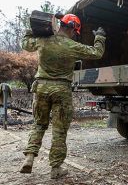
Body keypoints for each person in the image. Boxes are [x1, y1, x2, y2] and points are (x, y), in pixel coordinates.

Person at [19, 13, 106, 179]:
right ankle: (56, 168)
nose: (75, 34)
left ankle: (30, 157)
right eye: (75, 32)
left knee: (39, 124)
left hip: (42, 87)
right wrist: (100, 37)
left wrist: (34, 28)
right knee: (59, 130)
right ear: (73, 29)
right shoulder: (72, 46)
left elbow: (25, 43)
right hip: (61, 90)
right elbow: (97, 53)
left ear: (61, 25)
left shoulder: (43, 41)